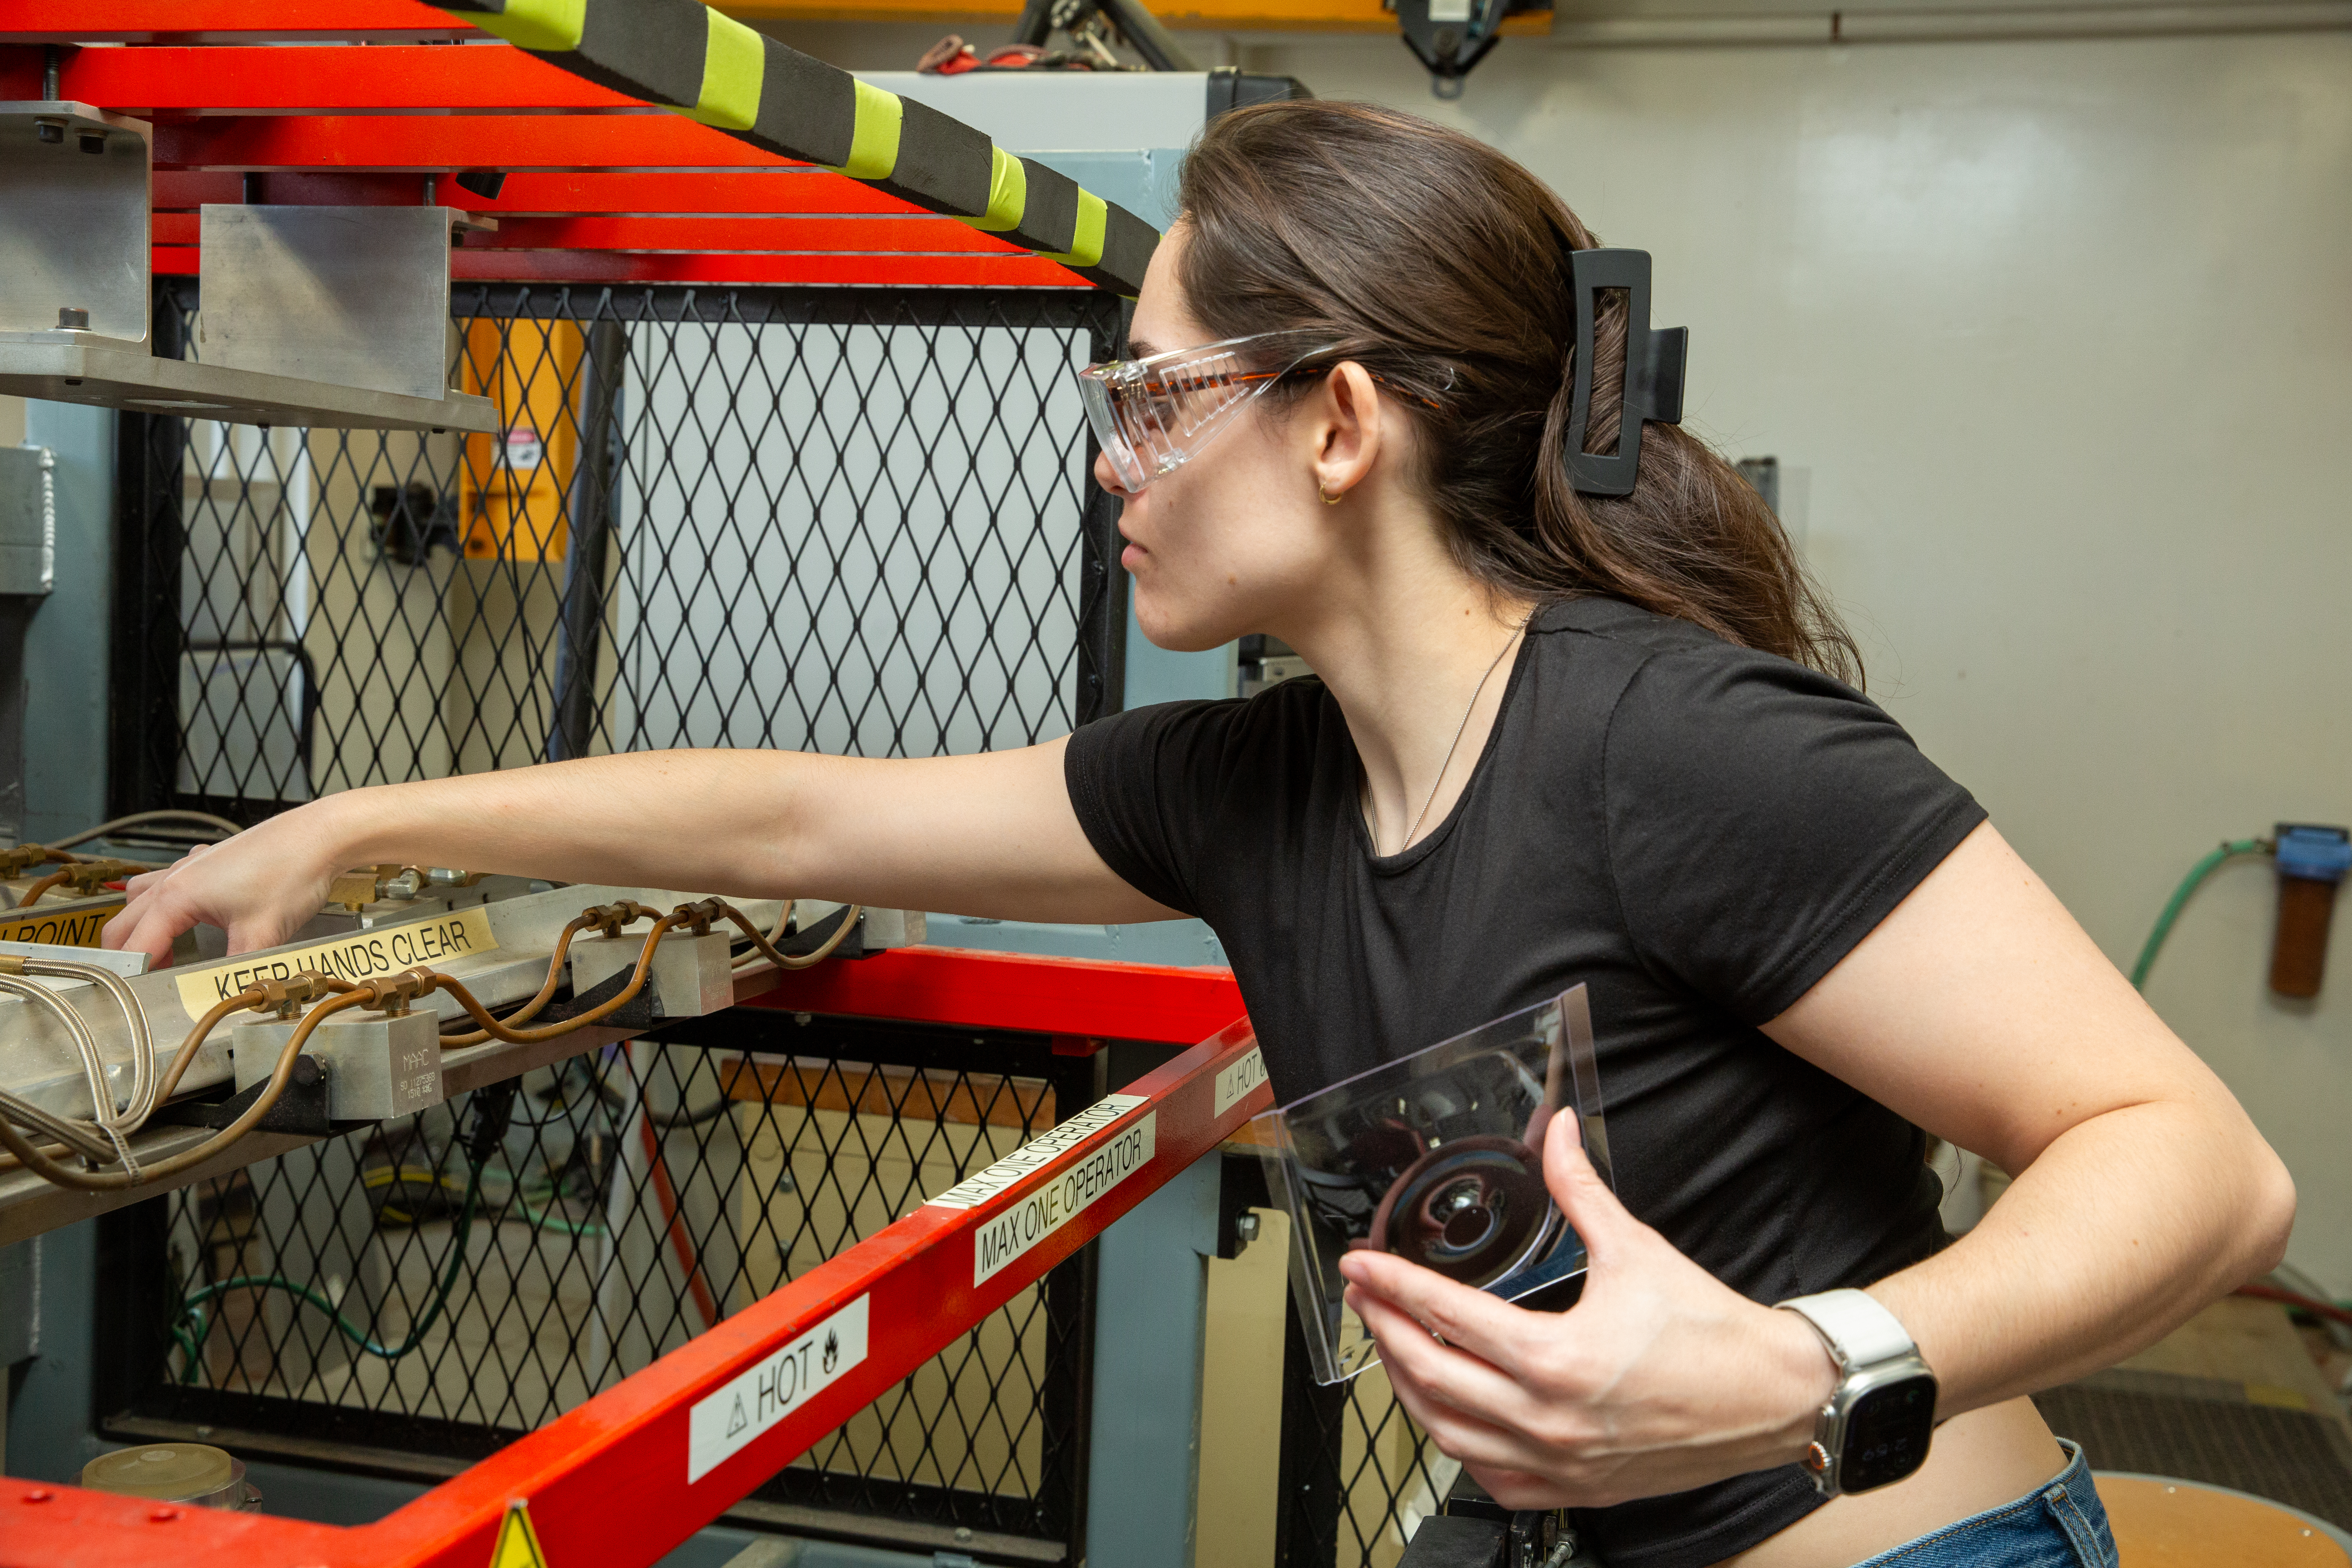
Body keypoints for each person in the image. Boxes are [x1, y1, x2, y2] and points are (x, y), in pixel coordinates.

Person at [109, 101, 2293, 1568]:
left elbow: (2201, 1165)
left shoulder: (1669, 743)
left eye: (1153, 399)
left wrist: (1807, 1365)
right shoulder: (1256, 788)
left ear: (1340, 422)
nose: (1112, 462)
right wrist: (351, 822)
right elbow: (793, 806)